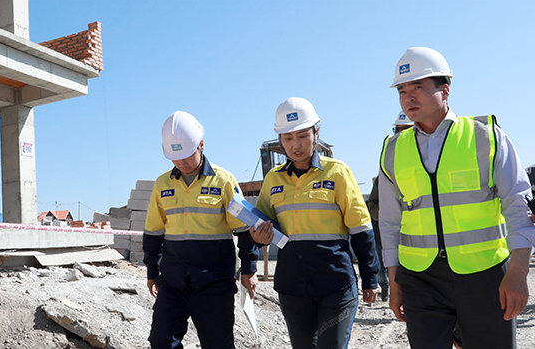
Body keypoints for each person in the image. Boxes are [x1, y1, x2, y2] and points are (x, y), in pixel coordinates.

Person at [377, 47, 535, 349]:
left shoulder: (486, 137)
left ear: (445, 90)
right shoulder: (393, 151)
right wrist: (394, 279)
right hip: (420, 279)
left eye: (418, 87)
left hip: (485, 275)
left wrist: (518, 271)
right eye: (402, 90)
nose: (409, 97)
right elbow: (389, 222)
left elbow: (517, 204)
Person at [250, 97, 379, 349]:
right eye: (288, 138)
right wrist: (256, 238)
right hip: (292, 287)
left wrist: (370, 277)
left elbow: (361, 228)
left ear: (316, 133)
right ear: (280, 140)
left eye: (302, 136)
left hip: (335, 284)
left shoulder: (337, 172)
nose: (296, 144)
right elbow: (258, 224)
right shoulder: (273, 179)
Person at [145, 111, 260, 349]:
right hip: (173, 282)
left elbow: (243, 230)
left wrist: (249, 270)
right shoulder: (162, 184)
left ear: (201, 145)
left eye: (186, 156)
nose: (181, 163)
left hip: (214, 283)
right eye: (175, 158)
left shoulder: (224, 181)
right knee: (161, 341)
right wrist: (151, 271)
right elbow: (153, 232)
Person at [366, 112, 414, 302]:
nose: (399, 134)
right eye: (397, 129)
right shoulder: (385, 172)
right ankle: (386, 288)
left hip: (417, 242)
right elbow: (372, 204)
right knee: (382, 270)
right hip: (386, 236)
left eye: (405, 129)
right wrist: (389, 212)